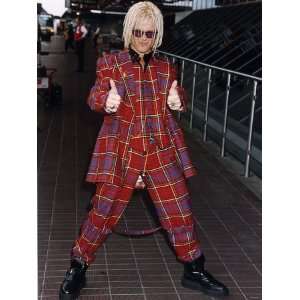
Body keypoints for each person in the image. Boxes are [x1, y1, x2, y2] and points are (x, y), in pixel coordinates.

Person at [59, 2, 229, 299]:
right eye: (137, 32)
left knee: (180, 210)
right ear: (128, 31)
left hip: (160, 148)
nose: (143, 38)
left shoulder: (166, 68)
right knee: (102, 212)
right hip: (122, 149)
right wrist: (106, 101)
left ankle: (195, 269)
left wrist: (179, 100)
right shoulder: (110, 63)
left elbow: (177, 93)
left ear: (157, 35)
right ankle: (78, 265)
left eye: (149, 34)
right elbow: (96, 95)